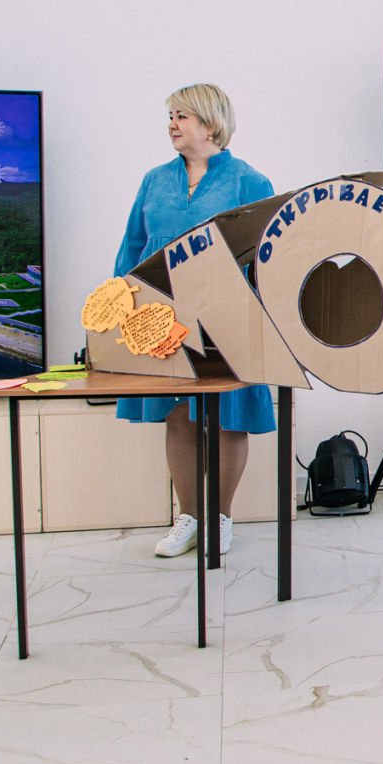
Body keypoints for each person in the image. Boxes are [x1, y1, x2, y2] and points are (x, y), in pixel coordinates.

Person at [113, 83, 277, 557]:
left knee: (228, 417)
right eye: (170, 116)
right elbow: (132, 246)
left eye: (181, 116)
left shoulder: (249, 182)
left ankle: (220, 520)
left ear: (209, 123)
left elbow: (269, 257)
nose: (172, 125)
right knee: (179, 415)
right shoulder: (154, 181)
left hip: (227, 318)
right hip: (162, 317)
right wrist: (120, 303)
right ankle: (188, 518)